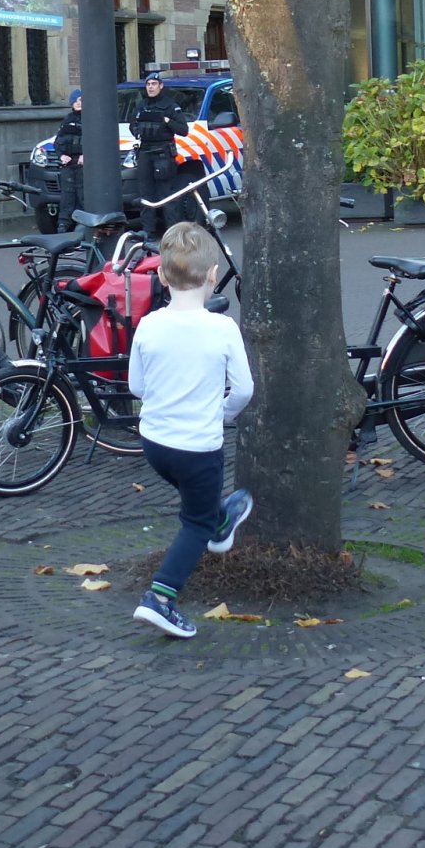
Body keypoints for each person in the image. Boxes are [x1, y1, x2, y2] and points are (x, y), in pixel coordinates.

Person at [125, 222, 255, 638]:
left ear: (161, 276)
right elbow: (245, 389)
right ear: (214, 273)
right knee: (194, 524)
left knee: (200, 506)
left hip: (155, 445)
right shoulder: (223, 329)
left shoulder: (148, 326)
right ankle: (160, 600)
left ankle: (220, 522)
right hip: (199, 448)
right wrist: (222, 413)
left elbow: (136, 387)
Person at [132, 71, 191, 238]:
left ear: (161, 86)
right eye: (148, 84)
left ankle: (172, 233)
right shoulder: (141, 105)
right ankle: (147, 231)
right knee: (145, 194)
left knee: (167, 195)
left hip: (163, 154)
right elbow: (133, 124)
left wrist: (167, 121)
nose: (151, 87)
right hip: (144, 152)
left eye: (154, 84)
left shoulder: (171, 106)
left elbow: (183, 130)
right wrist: (136, 131)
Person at [53, 88, 85, 231]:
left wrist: (87, 156)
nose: (79, 103)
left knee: (82, 195)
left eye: (81, 100)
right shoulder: (67, 120)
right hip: (68, 164)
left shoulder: (91, 119)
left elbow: (96, 141)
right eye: (76, 100)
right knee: (67, 196)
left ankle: (83, 225)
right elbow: (58, 142)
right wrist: (61, 155)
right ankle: (63, 226)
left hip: (83, 165)